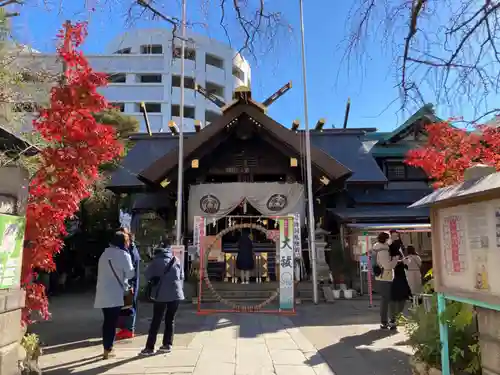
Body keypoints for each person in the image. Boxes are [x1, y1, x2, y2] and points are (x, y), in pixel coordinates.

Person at [94, 231, 135, 359]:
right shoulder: (124, 255)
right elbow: (130, 274)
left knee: (107, 321)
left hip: (102, 293)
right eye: (127, 241)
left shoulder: (104, 254)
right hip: (115, 293)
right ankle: (108, 348)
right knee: (112, 322)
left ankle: (106, 347)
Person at [140, 239, 184, 356]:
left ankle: (149, 347)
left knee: (156, 320)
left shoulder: (155, 262)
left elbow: (147, 275)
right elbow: (181, 276)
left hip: (161, 295)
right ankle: (167, 344)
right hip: (176, 294)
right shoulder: (176, 260)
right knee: (170, 320)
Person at [116, 229, 141, 340]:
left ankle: (128, 330)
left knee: (129, 306)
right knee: (127, 306)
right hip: (131, 282)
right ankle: (126, 329)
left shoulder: (130, 251)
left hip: (129, 283)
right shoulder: (132, 249)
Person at [373, 232, 399, 330]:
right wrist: (395, 260)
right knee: (388, 299)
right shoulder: (383, 250)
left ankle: (385, 321)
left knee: (385, 299)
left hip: (381, 276)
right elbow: (388, 266)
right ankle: (388, 321)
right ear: (385, 239)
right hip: (385, 276)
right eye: (389, 238)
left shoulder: (377, 247)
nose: (390, 240)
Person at [389, 244, 412, 329]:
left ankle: (395, 319)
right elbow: (391, 266)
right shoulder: (390, 257)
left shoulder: (403, 257)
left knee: (400, 300)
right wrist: (399, 261)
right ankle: (393, 320)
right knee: (394, 301)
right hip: (394, 280)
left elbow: (406, 267)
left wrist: (405, 262)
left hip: (401, 280)